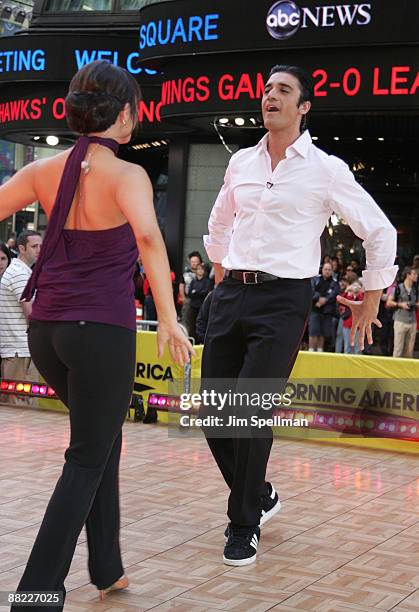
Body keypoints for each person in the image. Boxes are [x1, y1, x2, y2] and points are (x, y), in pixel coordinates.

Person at [0, 60, 193, 610]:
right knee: (87, 455)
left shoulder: (44, 169)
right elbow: (152, 244)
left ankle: (106, 566)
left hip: (48, 332)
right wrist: (171, 319)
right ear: (126, 114)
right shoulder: (127, 175)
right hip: (101, 334)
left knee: (101, 440)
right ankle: (38, 591)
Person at [201, 64, 397, 566]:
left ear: (303, 107)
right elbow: (220, 218)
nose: (270, 96)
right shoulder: (241, 162)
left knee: (249, 410)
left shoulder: (325, 169)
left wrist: (373, 294)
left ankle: (244, 524)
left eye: (283, 91)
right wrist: (220, 265)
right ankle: (260, 493)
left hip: (284, 301)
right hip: (232, 294)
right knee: (213, 413)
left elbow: (379, 231)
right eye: (266, 88)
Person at [0, 231, 42, 406]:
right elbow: (31, 315)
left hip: (19, 350)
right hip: (20, 351)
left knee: (16, 409)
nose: (40, 250)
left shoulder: (22, 272)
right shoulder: (19, 274)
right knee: (22, 409)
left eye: (41, 246)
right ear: (22, 249)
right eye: (34, 246)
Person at [387, 266, 418, 358]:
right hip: (400, 321)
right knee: (398, 349)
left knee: (409, 351)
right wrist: (400, 305)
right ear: (408, 275)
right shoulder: (398, 288)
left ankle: (405, 371)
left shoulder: (415, 289)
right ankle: (394, 370)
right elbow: (389, 302)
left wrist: (415, 305)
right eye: (414, 274)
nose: (416, 276)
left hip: (412, 322)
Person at [308, 262, 340, 352]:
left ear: (332, 271)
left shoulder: (334, 283)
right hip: (315, 309)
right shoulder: (315, 280)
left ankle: (319, 350)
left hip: (327, 311)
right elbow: (310, 291)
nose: (327, 271)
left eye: (329, 269)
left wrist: (325, 300)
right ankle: (311, 351)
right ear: (322, 270)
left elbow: (334, 294)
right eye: (325, 269)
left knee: (323, 332)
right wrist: (318, 299)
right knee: (313, 331)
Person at [179, 251, 203, 335]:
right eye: (192, 262)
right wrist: (183, 297)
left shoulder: (202, 272)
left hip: (199, 300)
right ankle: (186, 336)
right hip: (188, 299)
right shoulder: (186, 272)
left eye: (196, 262)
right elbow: (181, 284)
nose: (194, 264)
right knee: (186, 318)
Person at [186, 262, 211, 341]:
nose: (199, 271)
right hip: (193, 306)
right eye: (198, 269)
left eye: (201, 269)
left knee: (200, 324)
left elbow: (205, 292)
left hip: (201, 306)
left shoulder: (207, 281)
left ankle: (200, 341)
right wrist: (197, 292)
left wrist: (196, 292)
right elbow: (189, 293)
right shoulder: (193, 281)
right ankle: (191, 341)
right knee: (191, 324)